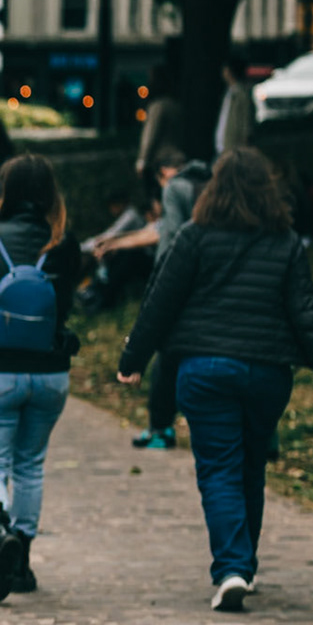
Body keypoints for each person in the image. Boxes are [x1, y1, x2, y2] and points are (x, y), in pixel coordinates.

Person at [117, 149, 313, 612]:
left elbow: (159, 302)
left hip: (204, 371)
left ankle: (232, 568)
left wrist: (133, 358)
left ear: (213, 191)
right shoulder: (284, 243)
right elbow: (306, 310)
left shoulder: (193, 237)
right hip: (266, 373)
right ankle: (245, 564)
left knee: (219, 469)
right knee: (250, 467)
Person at [0, 155, 81, 602]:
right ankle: (21, 560)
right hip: (49, 375)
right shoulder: (63, 244)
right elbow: (68, 304)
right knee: (30, 465)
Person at [98, 146, 212, 449]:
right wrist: (117, 241)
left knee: (168, 353)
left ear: (165, 174)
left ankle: (161, 429)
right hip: (216, 281)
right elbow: (158, 229)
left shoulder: (175, 188)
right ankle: (263, 439)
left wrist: (162, 279)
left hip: (181, 281)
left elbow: (169, 236)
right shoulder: (214, 183)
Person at [215, 56, 253, 156]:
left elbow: (245, 123)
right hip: (224, 146)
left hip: (233, 148)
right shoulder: (229, 93)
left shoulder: (240, 94)